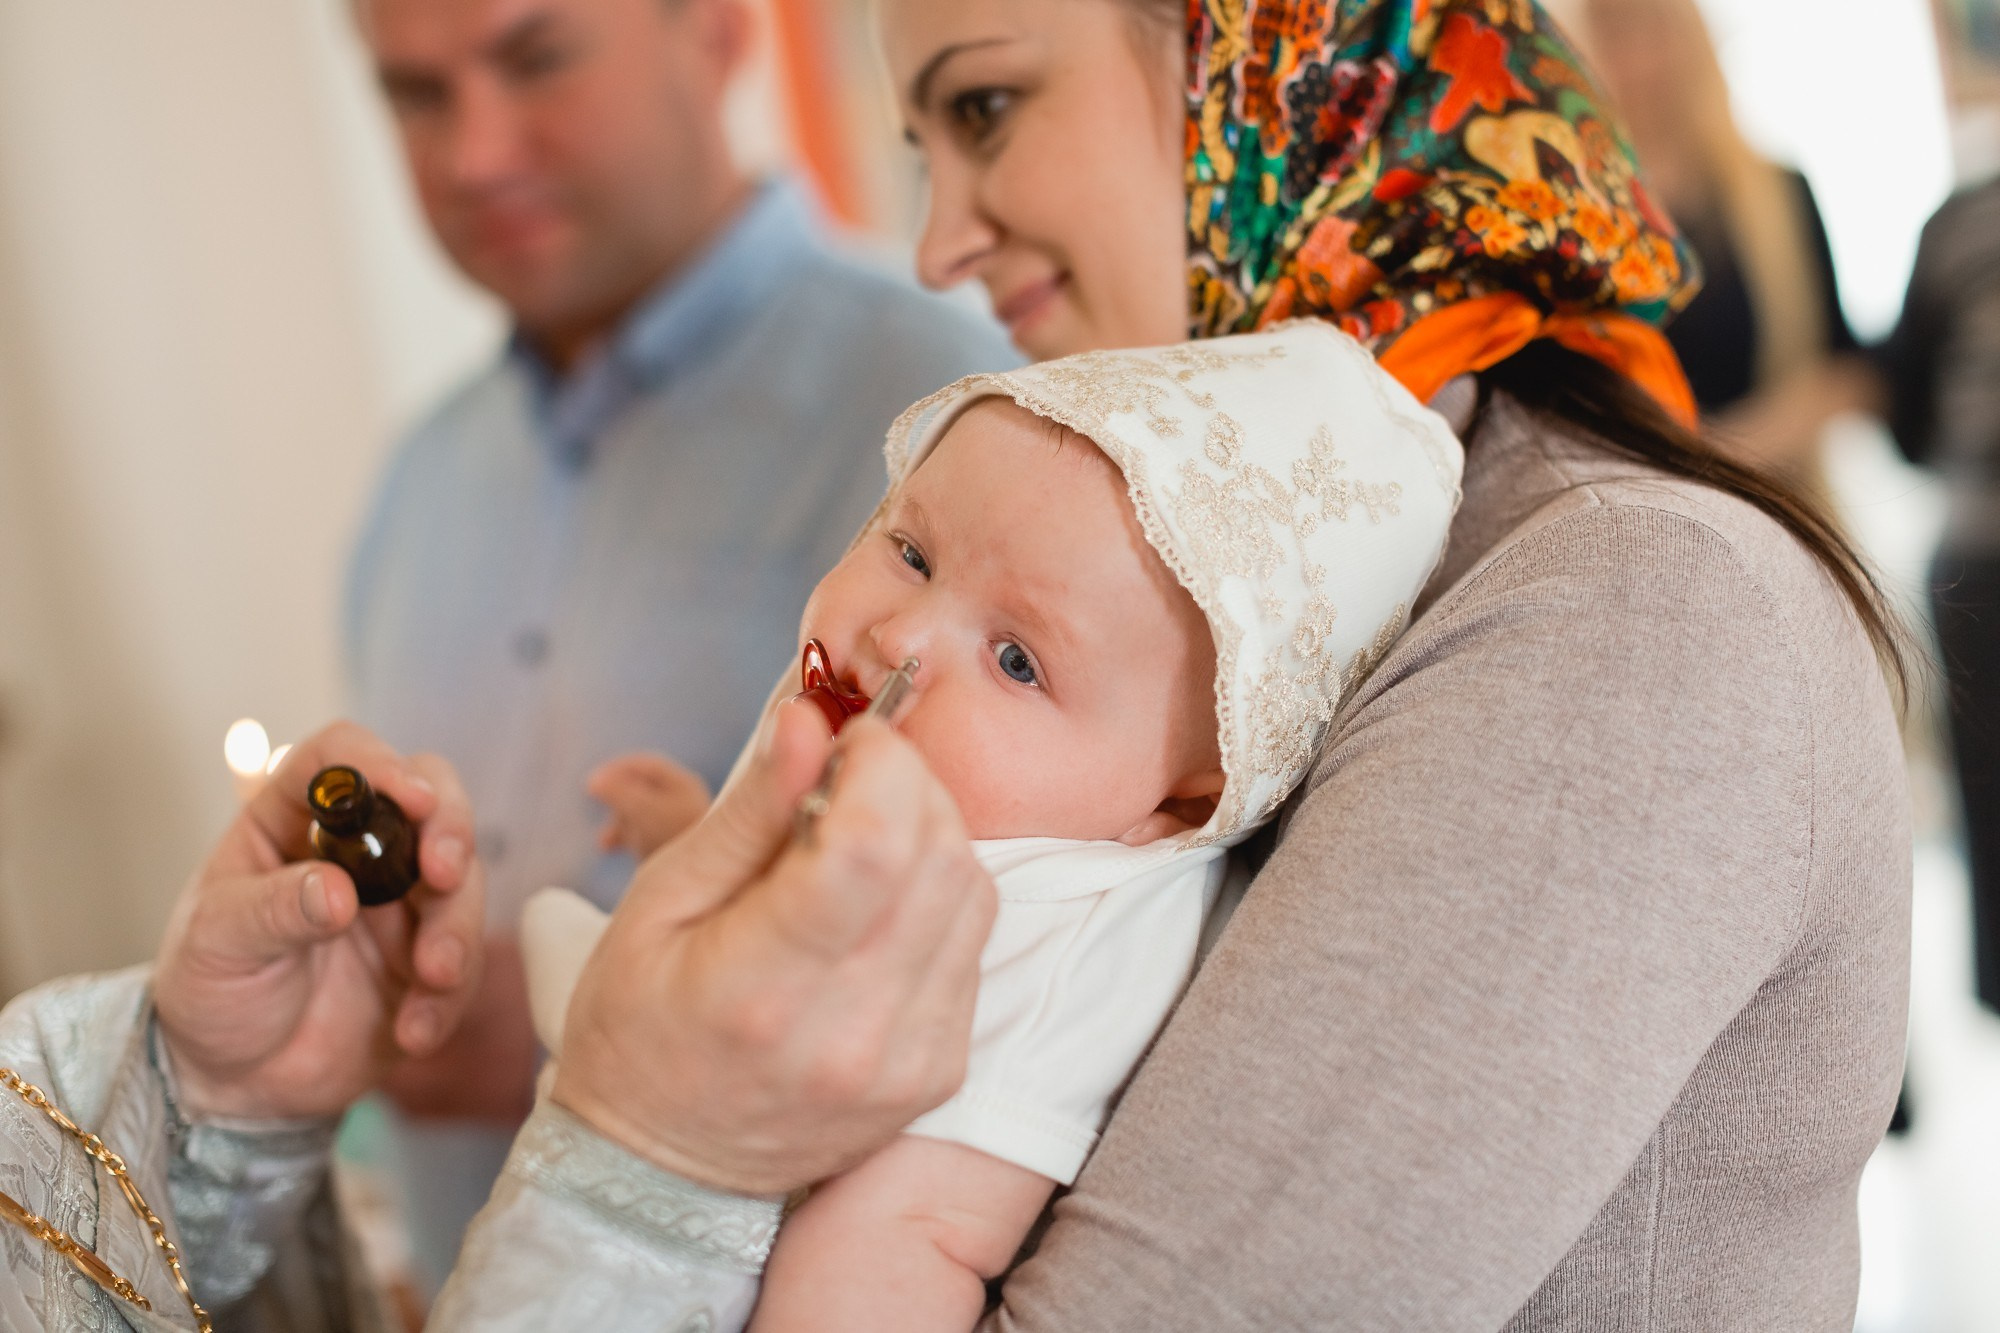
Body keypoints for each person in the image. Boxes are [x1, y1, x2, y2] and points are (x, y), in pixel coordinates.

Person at [0, 2, 1910, 1329]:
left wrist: (653, 1159)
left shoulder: (1624, 605)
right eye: (917, 139)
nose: (933, 241)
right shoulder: (1261, 581)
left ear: (1273, 57)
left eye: (985, 108)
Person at [520, 324, 1463, 1331]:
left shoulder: (1055, 935)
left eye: (1017, 662)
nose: (900, 635)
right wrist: (698, 842)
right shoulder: (903, 749)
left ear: (1180, 804)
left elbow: (907, 1233)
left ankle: (609, 1006)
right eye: (911, 553)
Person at [343, 0, 1015, 1290]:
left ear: (714, 31)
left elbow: (1027, 981)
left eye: (537, 58)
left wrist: (570, 1024)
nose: (474, 153)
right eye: (416, 95)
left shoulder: (957, 412)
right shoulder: (416, 482)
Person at [1561, 0, 1880, 483]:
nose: (1640, 64)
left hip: (1776, 496)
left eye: (1655, 33)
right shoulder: (1564, 227)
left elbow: (1848, 370)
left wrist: (1730, 454)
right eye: (1614, 36)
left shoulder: (1780, 192)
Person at [1884, 0, 2000, 1013]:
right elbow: (1906, 419)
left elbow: (1910, 426)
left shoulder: (1958, 224)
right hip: (1980, 571)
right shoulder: (1953, 222)